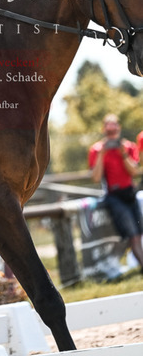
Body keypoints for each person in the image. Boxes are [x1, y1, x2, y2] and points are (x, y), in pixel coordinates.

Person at [88, 114, 143, 270]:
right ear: (104, 130)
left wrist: (123, 153)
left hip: (130, 194)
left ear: (119, 128)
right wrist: (101, 155)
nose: (112, 133)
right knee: (133, 235)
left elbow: (134, 172)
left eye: (114, 129)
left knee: (138, 234)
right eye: (109, 130)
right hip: (114, 196)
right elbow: (96, 177)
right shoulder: (96, 150)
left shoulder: (129, 146)